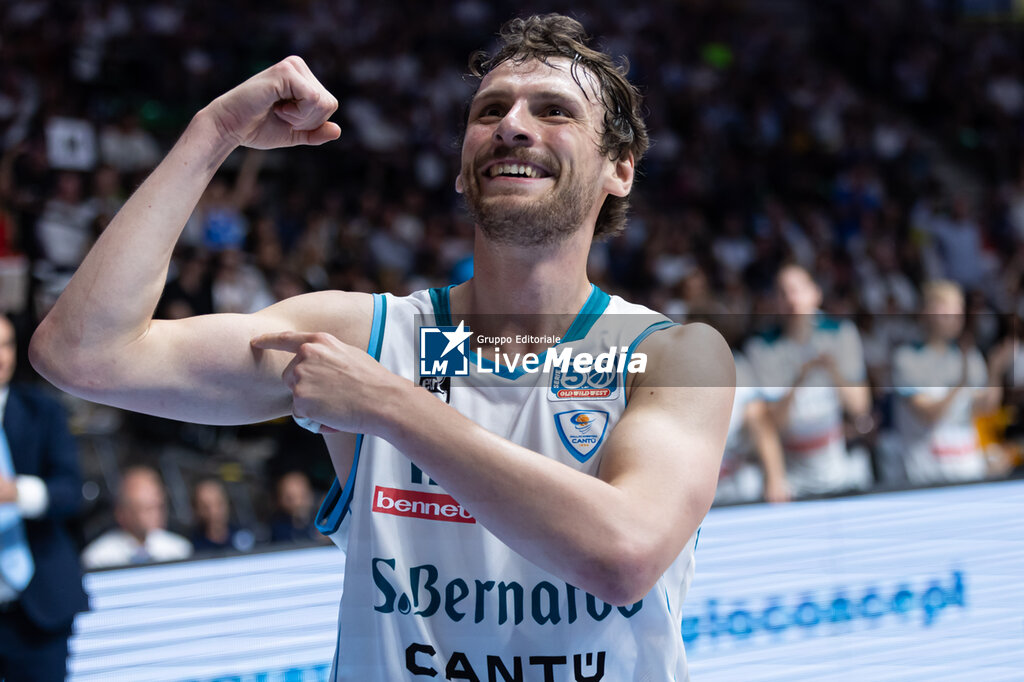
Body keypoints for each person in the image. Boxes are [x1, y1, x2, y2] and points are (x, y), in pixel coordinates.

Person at [29, 14, 734, 680]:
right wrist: (214, 133)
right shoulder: (366, 337)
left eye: (554, 111)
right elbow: (85, 356)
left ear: (620, 170)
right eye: (490, 111)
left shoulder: (675, 357)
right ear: (462, 166)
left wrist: (391, 406)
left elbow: (622, 557)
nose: (512, 126)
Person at [0, 314, 88, 682]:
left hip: (39, 607)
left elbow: (71, 492)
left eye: (6, 345)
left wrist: (16, 492)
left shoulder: (42, 410)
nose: (0, 356)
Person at [745, 264, 873, 497]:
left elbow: (860, 408)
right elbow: (773, 424)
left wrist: (832, 370)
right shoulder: (761, 347)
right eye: (783, 293)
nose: (791, 299)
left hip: (839, 471)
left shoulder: (841, 332)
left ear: (816, 293)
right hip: (793, 479)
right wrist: (799, 379)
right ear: (775, 301)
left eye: (798, 290)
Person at [892, 280, 1012, 485]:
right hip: (926, 477)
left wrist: (994, 372)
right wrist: (960, 383)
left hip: (968, 471)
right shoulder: (907, 358)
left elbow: (985, 407)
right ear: (926, 312)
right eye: (945, 309)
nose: (954, 317)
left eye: (958, 309)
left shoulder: (970, 356)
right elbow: (928, 415)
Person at [81, 465, 192, 569]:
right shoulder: (98, 558)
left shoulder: (179, 550)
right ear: (122, 513)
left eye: (159, 506)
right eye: (146, 508)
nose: (156, 514)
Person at [190, 477, 255, 553]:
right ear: (196, 510)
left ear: (227, 503)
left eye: (219, 504)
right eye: (205, 507)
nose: (214, 512)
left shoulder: (245, 537)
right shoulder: (190, 548)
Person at [268, 470, 323, 544]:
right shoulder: (277, 527)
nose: (298, 503)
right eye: (290, 499)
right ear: (280, 500)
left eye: (303, 497)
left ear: (311, 495)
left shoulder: (324, 522)